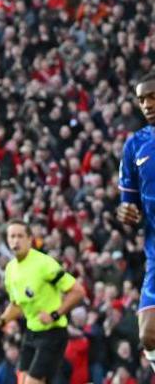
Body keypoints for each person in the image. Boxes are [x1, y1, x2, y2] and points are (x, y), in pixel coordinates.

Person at [0, 220, 85, 384]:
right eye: (12, 236)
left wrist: (54, 315)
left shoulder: (44, 263)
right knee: (22, 380)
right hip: (31, 332)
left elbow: (77, 291)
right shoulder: (10, 269)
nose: (16, 240)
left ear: (30, 239)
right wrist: (1, 320)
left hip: (53, 333)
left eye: (20, 236)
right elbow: (16, 305)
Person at [118, 72, 155, 370]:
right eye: (142, 99)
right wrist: (126, 213)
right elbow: (128, 206)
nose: (147, 104)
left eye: (152, 96)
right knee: (149, 333)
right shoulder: (135, 146)